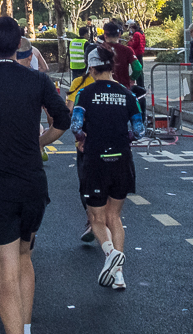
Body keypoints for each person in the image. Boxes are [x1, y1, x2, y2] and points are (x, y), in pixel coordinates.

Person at [0, 16, 71, 334]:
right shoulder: (37, 81)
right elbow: (62, 118)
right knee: (24, 257)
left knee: (6, 271)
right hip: (34, 184)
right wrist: (39, 142)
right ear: (19, 41)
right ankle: (27, 326)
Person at [70, 44, 143, 290]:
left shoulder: (85, 93)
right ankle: (119, 275)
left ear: (91, 68)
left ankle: (111, 254)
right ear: (112, 66)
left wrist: (84, 138)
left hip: (95, 160)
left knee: (96, 217)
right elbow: (140, 131)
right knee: (115, 216)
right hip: (122, 159)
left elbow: (76, 126)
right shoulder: (128, 94)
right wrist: (123, 138)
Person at [66, 50, 100, 244]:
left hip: (87, 144)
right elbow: (137, 128)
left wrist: (80, 138)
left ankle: (92, 220)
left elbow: (71, 115)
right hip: (116, 146)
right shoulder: (118, 87)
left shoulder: (79, 84)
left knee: (86, 184)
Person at [104, 22, 134, 89]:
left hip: (104, 89)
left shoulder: (98, 50)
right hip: (123, 87)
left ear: (105, 35)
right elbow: (138, 68)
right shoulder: (127, 50)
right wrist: (132, 78)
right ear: (119, 34)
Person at [127, 20, 147, 87]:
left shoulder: (136, 34)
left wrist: (130, 41)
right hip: (141, 52)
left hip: (136, 53)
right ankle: (141, 84)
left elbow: (134, 44)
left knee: (137, 69)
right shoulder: (142, 33)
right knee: (141, 69)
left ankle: (140, 84)